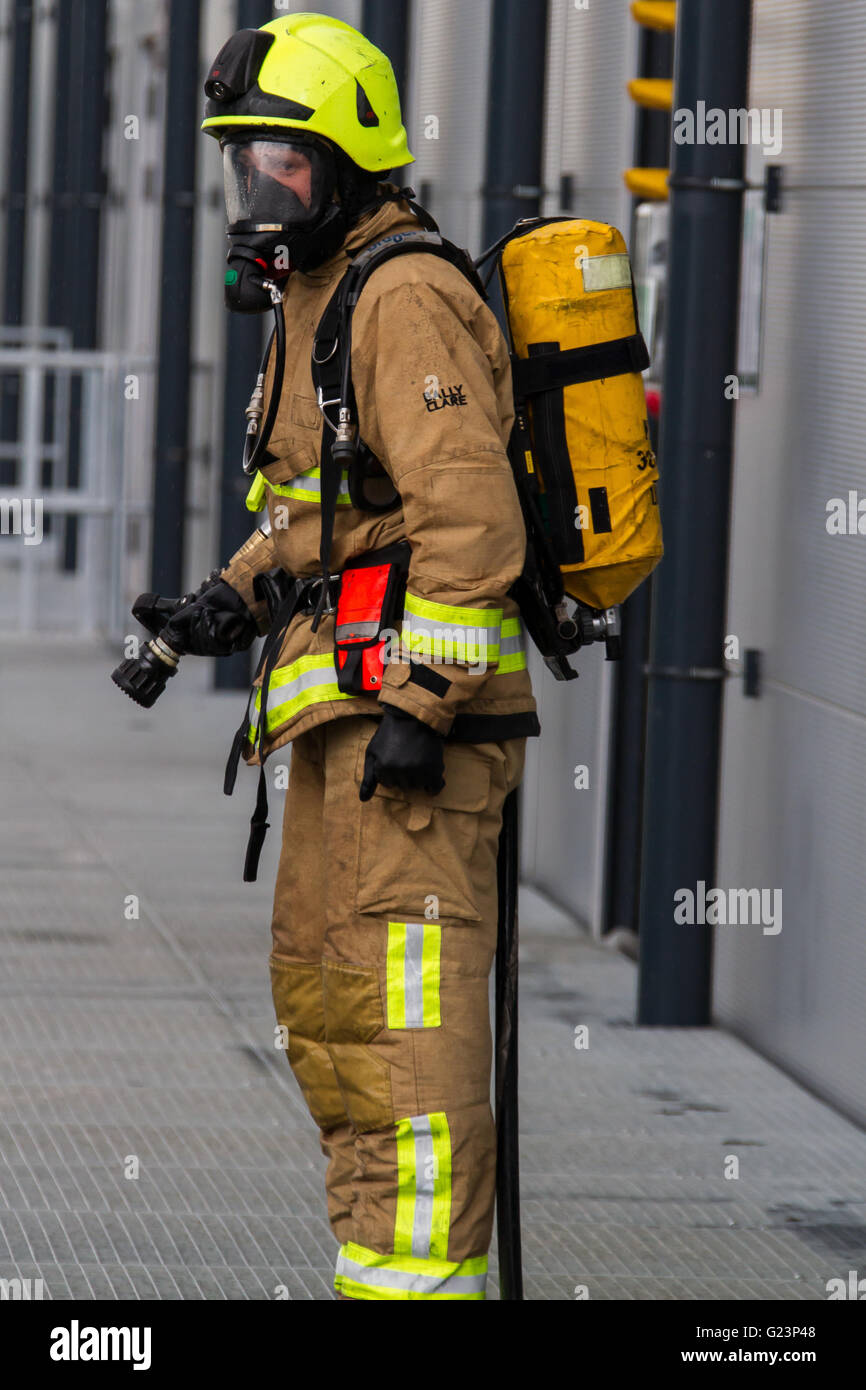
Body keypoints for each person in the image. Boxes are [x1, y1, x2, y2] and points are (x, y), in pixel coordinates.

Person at [161, 12, 539, 1301]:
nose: (260, 189)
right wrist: (229, 595)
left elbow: (471, 520)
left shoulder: (406, 293)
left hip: (415, 743)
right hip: (347, 725)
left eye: (285, 163)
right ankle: (376, 1272)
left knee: (411, 1025)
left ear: (351, 160)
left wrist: (424, 707)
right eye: (246, 163)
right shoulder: (322, 287)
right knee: (328, 1006)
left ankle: (423, 1286)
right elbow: (339, 502)